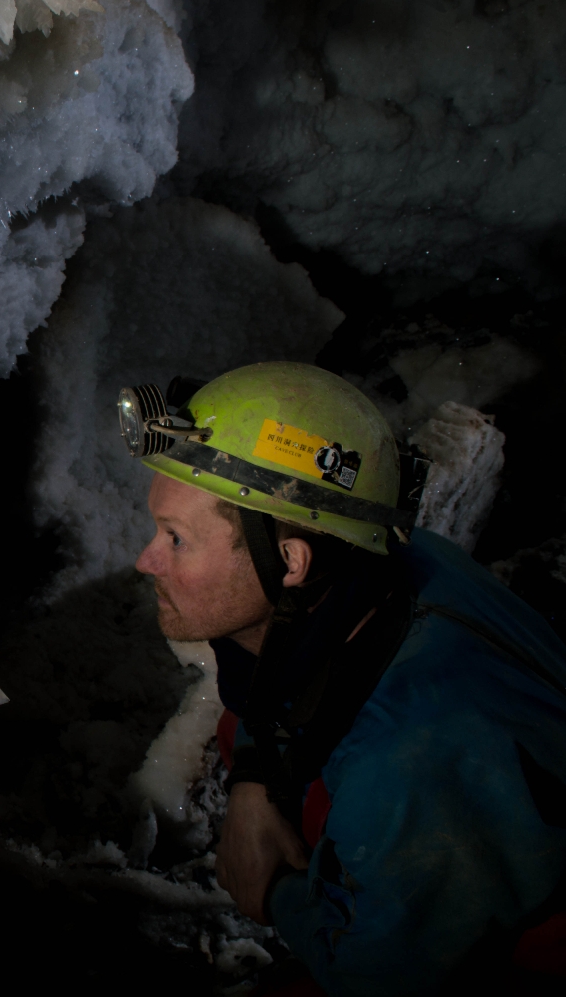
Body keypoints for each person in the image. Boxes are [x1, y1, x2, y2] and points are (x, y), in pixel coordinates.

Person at [121, 361, 566, 995]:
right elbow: (264, 680)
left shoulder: (401, 762)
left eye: (176, 538)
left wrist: (274, 891)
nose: (146, 560)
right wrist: (254, 783)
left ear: (291, 562)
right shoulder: (400, 563)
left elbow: (374, 975)